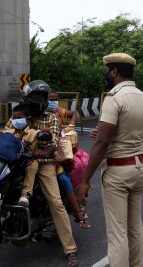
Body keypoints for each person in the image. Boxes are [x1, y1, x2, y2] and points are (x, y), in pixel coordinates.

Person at [78, 53, 143, 267]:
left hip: (118, 173)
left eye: (107, 70)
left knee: (117, 234)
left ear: (114, 71)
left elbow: (101, 144)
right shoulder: (142, 97)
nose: (105, 74)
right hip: (139, 168)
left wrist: (85, 180)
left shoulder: (114, 97)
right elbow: (138, 134)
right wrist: (103, 135)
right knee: (135, 228)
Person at [6, 80, 79, 267]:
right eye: (35, 96)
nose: (39, 99)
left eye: (42, 96)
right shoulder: (19, 114)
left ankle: (70, 250)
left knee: (55, 202)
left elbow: (54, 141)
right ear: (27, 98)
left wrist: (46, 151)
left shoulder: (52, 118)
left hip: (44, 163)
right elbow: (7, 134)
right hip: (19, 162)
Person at [47, 88, 90, 229]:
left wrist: (70, 126)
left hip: (53, 152)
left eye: (55, 99)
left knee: (69, 173)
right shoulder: (33, 114)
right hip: (36, 154)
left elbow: (73, 114)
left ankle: (77, 209)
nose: (53, 102)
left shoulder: (57, 112)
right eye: (50, 99)